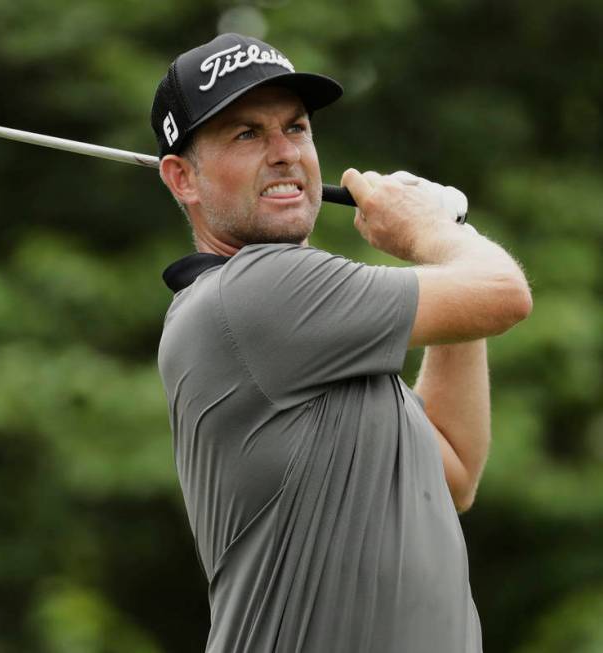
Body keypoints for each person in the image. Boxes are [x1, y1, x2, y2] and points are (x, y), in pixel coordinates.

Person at [151, 33, 531, 653]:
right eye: (246, 134)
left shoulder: (324, 337)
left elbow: (456, 472)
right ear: (181, 178)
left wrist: (445, 234)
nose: (284, 154)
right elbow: (503, 295)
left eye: (295, 129)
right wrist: (434, 232)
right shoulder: (257, 290)